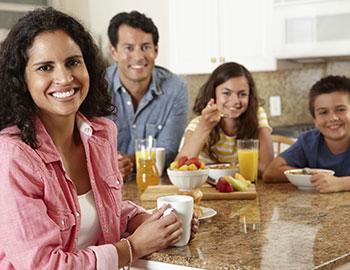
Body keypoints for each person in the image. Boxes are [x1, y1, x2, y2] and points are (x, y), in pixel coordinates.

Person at [0, 7, 198, 269]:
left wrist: (148, 221)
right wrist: (134, 247)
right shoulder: (14, 156)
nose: (64, 78)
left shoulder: (99, 134)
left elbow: (97, 209)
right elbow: (43, 265)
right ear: (22, 81)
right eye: (45, 67)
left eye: (72, 62)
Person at [106, 11, 189, 179]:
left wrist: (126, 163)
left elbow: (168, 153)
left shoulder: (175, 88)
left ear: (156, 50)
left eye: (145, 47)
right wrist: (108, 163)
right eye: (129, 48)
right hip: (106, 189)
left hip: (155, 188)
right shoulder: (96, 87)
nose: (138, 57)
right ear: (114, 52)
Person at [177, 62, 274, 177]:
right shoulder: (198, 124)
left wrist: (222, 169)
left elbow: (266, 167)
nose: (235, 101)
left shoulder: (256, 114)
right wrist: (205, 126)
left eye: (242, 94)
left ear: (250, 96)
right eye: (226, 93)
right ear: (213, 94)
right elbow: (179, 168)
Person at [263, 75, 350, 193]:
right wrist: (312, 176)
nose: (333, 118)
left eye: (340, 110)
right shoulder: (308, 141)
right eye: (323, 112)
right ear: (315, 120)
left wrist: (341, 183)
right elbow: (271, 172)